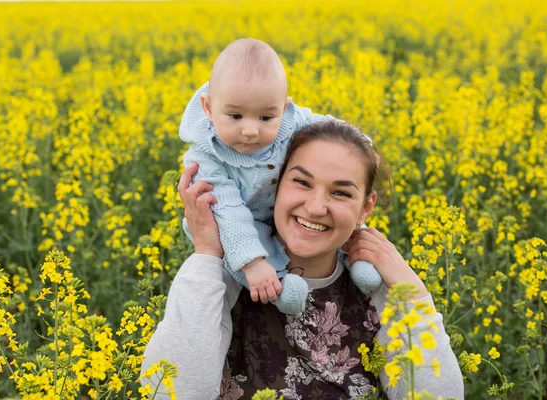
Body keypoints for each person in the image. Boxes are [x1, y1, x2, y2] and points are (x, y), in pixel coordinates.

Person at [142, 120, 464, 399]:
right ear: (275, 186)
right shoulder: (229, 276)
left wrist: (412, 289)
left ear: (366, 208)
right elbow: (172, 392)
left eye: (340, 193)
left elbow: (439, 397)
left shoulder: (375, 287)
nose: (315, 207)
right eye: (301, 182)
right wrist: (208, 256)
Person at [179, 38, 382, 315]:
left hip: (282, 213)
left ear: (283, 109)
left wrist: (361, 144)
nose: (250, 131)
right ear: (209, 108)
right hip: (237, 224)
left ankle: (357, 260)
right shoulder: (206, 158)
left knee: (335, 218)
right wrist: (252, 263)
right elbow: (227, 212)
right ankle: (281, 290)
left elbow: (323, 124)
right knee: (249, 255)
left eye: (265, 118)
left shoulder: (290, 120)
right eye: (235, 116)